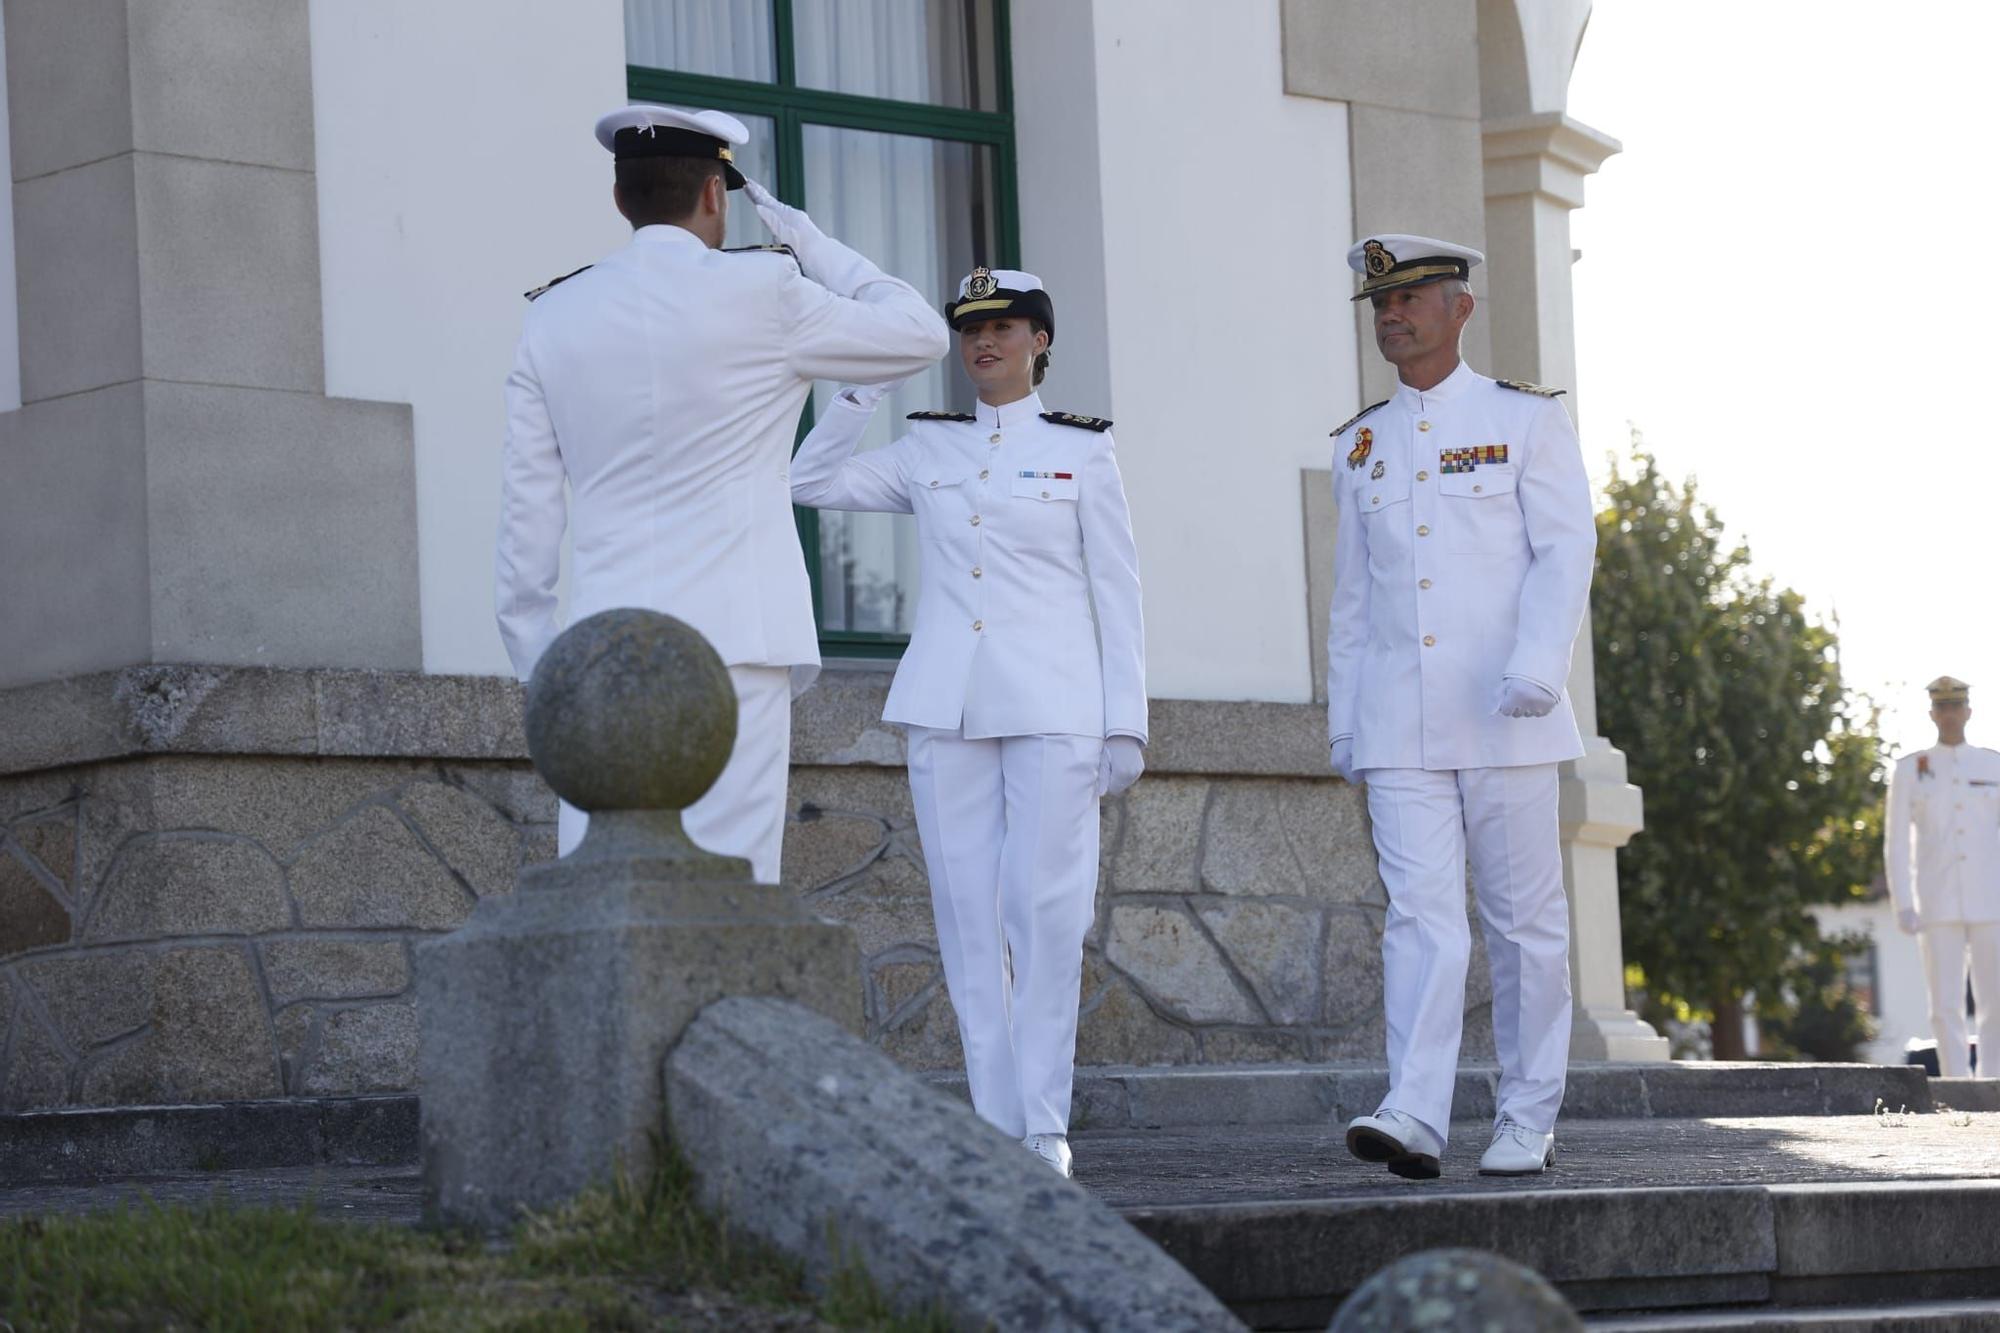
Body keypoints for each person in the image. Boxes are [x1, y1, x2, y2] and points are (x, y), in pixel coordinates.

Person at [494, 105, 949, 881]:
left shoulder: (553, 316)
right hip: (739, 643)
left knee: (600, 903)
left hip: (604, 657)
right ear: (716, 194)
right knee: (734, 897)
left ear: (619, 200)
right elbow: (920, 332)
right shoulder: (766, 289)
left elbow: (526, 525)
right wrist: (809, 242)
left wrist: (549, 676)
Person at [787, 268, 1146, 1177]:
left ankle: (1042, 1122)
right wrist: (867, 382)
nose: (983, 341)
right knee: (967, 917)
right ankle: (996, 1123)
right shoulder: (927, 447)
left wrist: (1124, 723)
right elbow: (810, 477)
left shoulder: (1085, 453)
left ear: (1040, 341)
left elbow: (1118, 594)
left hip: (1057, 704)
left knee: (1044, 912)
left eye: (1006, 326)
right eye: (970, 329)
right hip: (946, 703)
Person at [1325, 234, 1595, 1178]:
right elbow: (1353, 599)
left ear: (1461, 308)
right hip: (1401, 718)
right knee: (1420, 917)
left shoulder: (1525, 421)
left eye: (1409, 298)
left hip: (1506, 713)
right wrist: (1347, 720)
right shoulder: (1358, 443)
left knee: (1524, 925)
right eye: (1379, 304)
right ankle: (1415, 1110)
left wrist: (1539, 666)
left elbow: (1566, 550)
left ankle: (1528, 1113)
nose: (1390, 316)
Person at [1886, 676, 2000, 1076]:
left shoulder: (1993, 764)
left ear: (1968, 712)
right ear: (1933, 714)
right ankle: (1957, 1084)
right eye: (1943, 708)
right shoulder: (1911, 770)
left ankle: (1992, 1083)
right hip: (1937, 901)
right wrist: (1904, 903)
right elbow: (1896, 841)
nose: (1950, 715)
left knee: (1995, 1002)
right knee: (1944, 1004)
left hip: (1991, 898)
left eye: (1957, 707)